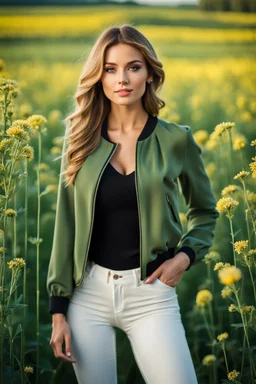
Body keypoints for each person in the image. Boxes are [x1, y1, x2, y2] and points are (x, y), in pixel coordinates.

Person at [46, 24, 219, 384]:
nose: (122, 79)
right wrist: (58, 311)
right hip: (87, 296)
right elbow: (66, 227)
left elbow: (204, 212)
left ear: (149, 74)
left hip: (151, 295)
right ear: (99, 77)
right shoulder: (79, 141)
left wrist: (184, 258)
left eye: (133, 67)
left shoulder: (177, 140)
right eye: (110, 69)